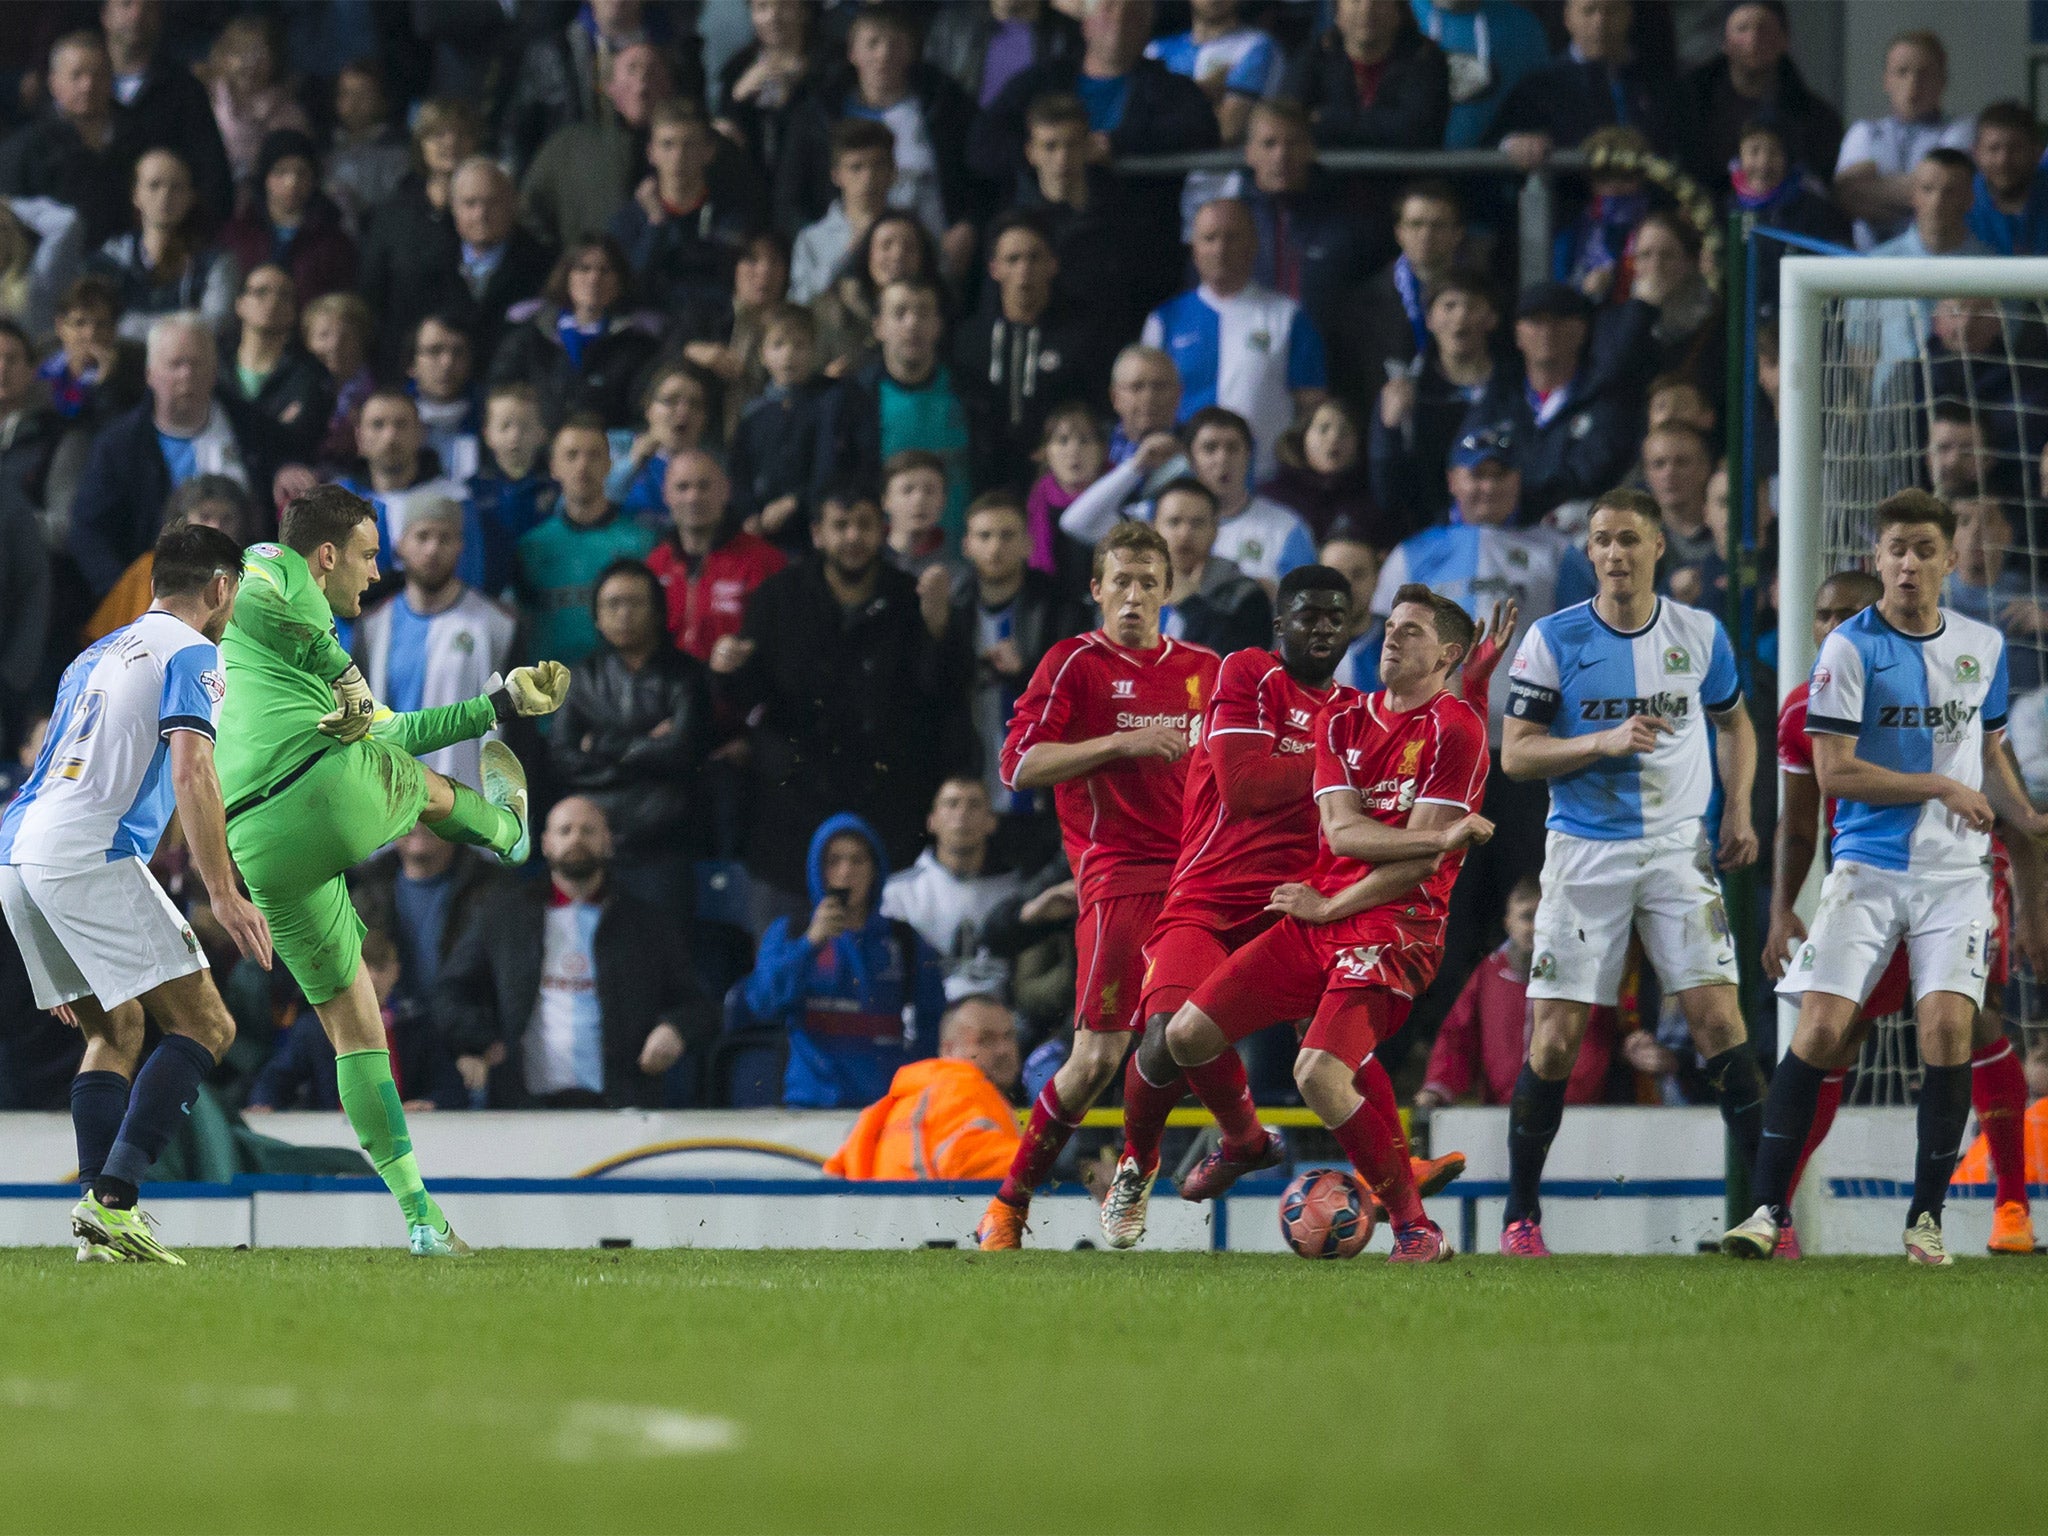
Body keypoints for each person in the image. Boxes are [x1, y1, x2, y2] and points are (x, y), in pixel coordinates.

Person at [212, 484, 570, 1252]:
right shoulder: (270, 563)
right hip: (317, 788)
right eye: (371, 557)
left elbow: (397, 727)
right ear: (329, 554)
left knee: (353, 1027)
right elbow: (261, 588)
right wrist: (343, 671)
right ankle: (507, 832)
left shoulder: (307, 670)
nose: (379, 575)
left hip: (258, 842)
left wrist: (496, 706)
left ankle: (420, 1217)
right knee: (427, 788)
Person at [1728, 491, 2048, 1266]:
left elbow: (1991, 755)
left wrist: (2029, 822)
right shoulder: (1846, 651)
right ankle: (1765, 1212)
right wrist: (1941, 788)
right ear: (1879, 561)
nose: (1908, 563)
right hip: (1867, 872)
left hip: (1957, 879)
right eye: (1895, 548)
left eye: (1923, 550)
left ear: (1946, 559)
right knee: (1823, 1030)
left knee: (1948, 1028)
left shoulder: (1981, 645)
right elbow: (1834, 775)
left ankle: (1926, 1221)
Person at [1109, 563, 1465, 1244]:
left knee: (1336, 1047)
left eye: (1337, 616)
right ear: (1280, 624)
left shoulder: (1357, 710)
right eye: (1308, 614)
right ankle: (1161, 1156)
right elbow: (1244, 786)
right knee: (1164, 1038)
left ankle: (1400, 1181)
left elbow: (1421, 750)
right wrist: (1340, 764)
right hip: (1210, 895)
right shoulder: (1247, 673)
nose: (1323, 627)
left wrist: (1457, 690)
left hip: (1296, 901)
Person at [1499, 487, 1762, 1258]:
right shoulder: (1553, 639)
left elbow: (1735, 724)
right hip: (1584, 853)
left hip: (1679, 850)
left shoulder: (1699, 633)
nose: (1614, 553)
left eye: (1629, 540)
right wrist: (1601, 744)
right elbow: (1516, 753)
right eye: (1603, 540)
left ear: (1656, 549)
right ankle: (1521, 1217)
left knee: (1719, 1025)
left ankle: (1772, 1214)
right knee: (1555, 1041)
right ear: (1589, 553)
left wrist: (1738, 808)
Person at [0, 524, 268, 1262]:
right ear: (220, 588)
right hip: (91, 855)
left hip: (19, 855)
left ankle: (97, 1223)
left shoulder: (96, 652)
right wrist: (223, 892)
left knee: (113, 1031)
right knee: (208, 1027)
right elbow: (193, 771)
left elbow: (48, 762)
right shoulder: (195, 651)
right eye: (235, 592)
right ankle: (117, 1199)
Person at [974, 520, 1219, 1250]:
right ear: (1096, 590)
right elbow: (1015, 767)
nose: (1135, 596)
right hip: (1119, 876)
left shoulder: (1206, 667)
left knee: (1202, 1026)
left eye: (1149, 582)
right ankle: (1010, 1204)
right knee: (1095, 1061)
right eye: (1122, 582)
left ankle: (1149, 1169)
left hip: (1201, 877)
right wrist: (1121, 743)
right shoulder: (1074, 664)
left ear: (1169, 591)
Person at [719, 484, 970, 903]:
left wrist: (939, 629)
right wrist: (727, 668)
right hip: (794, 804)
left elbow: (943, 693)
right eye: (840, 526)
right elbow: (750, 695)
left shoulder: (912, 598)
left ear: (883, 530)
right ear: (817, 534)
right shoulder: (779, 598)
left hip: (888, 801)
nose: (852, 537)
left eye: (864, 526)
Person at [435, 795, 710, 1109]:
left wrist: (674, 1029)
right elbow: (450, 992)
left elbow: (697, 1005)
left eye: (588, 831)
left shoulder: (647, 925)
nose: (576, 838)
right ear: (546, 843)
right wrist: (480, 1038)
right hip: (523, 1107)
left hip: (621, 1105)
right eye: (565, 830)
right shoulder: (502, 917)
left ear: (608, 842)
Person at [738, 812, 949, 1109]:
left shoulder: (904, 940)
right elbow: (761, 1004)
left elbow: (933, 1020)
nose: (846, 871)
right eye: (834, 861)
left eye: (858, 860)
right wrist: (811, 943)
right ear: (817, 869)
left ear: (875, 869)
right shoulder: (791, 932)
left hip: (886, 1105)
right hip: (811, 1102)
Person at [69, 311, 270, 597]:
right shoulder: (118, 446)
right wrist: (129, 593)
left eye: (196, 363)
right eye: (175, 364)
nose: (186, 374)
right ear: (150, 374)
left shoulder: (255, 430)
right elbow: (88, 532)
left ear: (214, 371)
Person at [549, 559, 713, 909]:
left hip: (663, 844)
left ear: (656, 612)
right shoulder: (580, 679)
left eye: (635, 603)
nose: (624, 613)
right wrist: (648, 746)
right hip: (594, 846)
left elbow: (683, 752)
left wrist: (600, 744)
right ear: (596, 616)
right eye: (613, 604)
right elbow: (562, 758)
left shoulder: (686, 676)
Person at [772, 3, 977, 275]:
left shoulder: (946, 109)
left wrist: (967, 226)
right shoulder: (816, 116)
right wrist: (820, 247)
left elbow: (978, 182)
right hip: (841, 258)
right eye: (873, 44)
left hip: (932, 256)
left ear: (911, 52)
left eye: (895, 44)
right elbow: (789, 200)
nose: (883, 55)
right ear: (853, 53)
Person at [1142, 198, 1327, 481]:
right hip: (1182, 487)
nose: (1220, 249)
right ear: (1194, 247)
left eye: (1232, 237)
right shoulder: (1164, 321)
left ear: (1254, 243)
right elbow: (1144, 406)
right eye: (1210, 238)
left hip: (1267, 483)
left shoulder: (1288, 318)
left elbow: (1311, 405)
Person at [1416, 876, 1629, 1108]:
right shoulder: (1489, 974)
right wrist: (1436, 1089)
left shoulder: (1586, 974)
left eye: (1546, 917)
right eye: (1528, 917)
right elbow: (1458, 1037)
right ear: (1508, 923)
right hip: (1500, 1116)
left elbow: (1605, 1038)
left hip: (1575, 1116)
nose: (1538, 926)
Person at [352, 496, 516, 793]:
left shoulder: (496, 625)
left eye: (445, 538)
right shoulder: (373, 627)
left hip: (466, 811)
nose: (433, 549)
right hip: (391, 806)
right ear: (401, 543)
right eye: (423, 536)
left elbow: (514, 734)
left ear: (461, 545)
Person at [1458, 280, 1640, 523]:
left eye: (1560, 319)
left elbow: (1593, 469)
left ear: (1582, 330)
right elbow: (1468, 457)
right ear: (1517, 334)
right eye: (1535, 321)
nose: (1547, 330)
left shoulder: (1605, 397)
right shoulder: (1497, 395)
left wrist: (1513, 486)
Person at [954, 210, 1106, 495]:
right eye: (1013, 259)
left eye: (1034, 258)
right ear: (994, 268)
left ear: (1053, 264)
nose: (1024, 270)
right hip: (983, 482)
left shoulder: (1082, 337)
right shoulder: (969, 339)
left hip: (1060, 482)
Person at [950, 491, 1084, 814]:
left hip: (1042, 795)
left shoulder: (1060, 608)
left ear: (1028, 543)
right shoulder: (953, 609)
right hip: (971, 795)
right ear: (966, 545)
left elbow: (1079, 695)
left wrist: (1025, 673)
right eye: (984, 536)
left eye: (1007, 535)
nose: (995, 547)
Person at [819, 275, 974, 545]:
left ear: (938, 326)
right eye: (900, 313)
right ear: (879, 326)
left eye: (923, 314)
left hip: (967, 560)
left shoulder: (974, 394)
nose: (912, 324)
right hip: (880, 560)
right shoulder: (849, 401)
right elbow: (831, 486)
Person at [823, 995, 1024, 1180]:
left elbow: (836, 1175)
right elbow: (966, 1158)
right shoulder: (962, 1088)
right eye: (985, 1040)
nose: (1003, 1050)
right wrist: (1045, 1158)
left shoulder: (889, 1108)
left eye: (1009, 1037)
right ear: (948, 1049)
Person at [514, 416, 658, 667]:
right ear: (553, 466)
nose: (582, 466)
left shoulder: (642, 543)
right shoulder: (531, 547)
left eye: (594, 456)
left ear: (609, 464)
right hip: (548, 695)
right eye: (572, 455)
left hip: (620, 692)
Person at [1369, 267, 1500, 531]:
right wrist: (1389, 430)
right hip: (1428, 536)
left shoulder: (1516, 388)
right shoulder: (1406, 391)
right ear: (1429, 319)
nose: (1461, 316)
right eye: (1449, 306)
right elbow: (1386, 494)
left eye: (1472, 306)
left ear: (1492, 318)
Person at [1492, 0, 1693, 171]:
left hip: (1654, 208)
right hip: (1572, 207)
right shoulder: (1540, 86)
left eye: (1612, 11)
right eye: (1589, 11)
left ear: (1629, 15)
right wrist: (1515, 143)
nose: (1600, 22)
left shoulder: (1659, 81)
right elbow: (1499, 140)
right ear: (1568, 19)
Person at [488, 235, 661, 433]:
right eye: (584, 269)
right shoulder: (530, 336)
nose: (594, 278)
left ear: (619, 280)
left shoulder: (638, 345)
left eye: (605, 270)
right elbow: (500, 389)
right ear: (566, 275)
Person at [607, 100, 756, 318]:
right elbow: (628, 287)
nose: (678, 157)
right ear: (651, 153)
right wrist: (656, 224)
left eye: (689, 145)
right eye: (668, 145)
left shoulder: (731, 217)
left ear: (709, 151)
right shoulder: (628, 220)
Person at [1833, 30, 1975, 251]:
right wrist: (1920, 192)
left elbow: (1946, 189)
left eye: (1924, 73)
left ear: (1942, 80)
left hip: (1939, 261)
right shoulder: (1864, 132)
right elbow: (1848, 197)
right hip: (1868, 266)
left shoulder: (1961, 130)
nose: (1913, 82)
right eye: (1902, 72)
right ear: (1886, 80)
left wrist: (1875, 189)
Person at [1681, 1, 1841, 196]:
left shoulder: (1817, 119)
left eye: (1764, 29)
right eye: (1742, 29)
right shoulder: (1690, 104)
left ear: (1784, 40)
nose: (1753, 39)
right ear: (1724, 40)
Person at [646, 449, 787, 668]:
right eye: (682, 487)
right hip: (670, 696)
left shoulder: (766, 561)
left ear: (725, 490)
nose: (693, 497)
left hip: (740, 693)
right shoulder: (655, 564)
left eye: (704, 486)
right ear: (666, 494)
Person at [101, 0, 235, 230]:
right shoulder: (80, 91)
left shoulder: (185, 90)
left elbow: (212, 178)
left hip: (172, 240)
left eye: (148, 7)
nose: (136, 15)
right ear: (105, 14)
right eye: (126, 4)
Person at [1330, 180, 1465, 405]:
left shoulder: (1483, 299)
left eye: (1438, 225)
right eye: (1416, 224)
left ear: (1458, 234)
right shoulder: (1362, 305)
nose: (1426, 234)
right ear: (1399, 232)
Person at [880, 776, 1025, 976]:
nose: (962, 813)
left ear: (991, 822)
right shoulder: (897, 893)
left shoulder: (1015, 893)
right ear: (932, 821)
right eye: (952, 804)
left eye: (973, 805)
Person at [339, 388, 481, 592]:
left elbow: (468, 579)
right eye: (378, 425)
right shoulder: (337, 501)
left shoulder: (454, 498)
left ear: (421, 434)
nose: (390, 436)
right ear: (360, 437)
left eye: (401, 425)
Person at [89, 148, 237, 340]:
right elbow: (95, 322)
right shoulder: (109, 259)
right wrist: (186, 322)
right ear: (136, 195)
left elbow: (218, 323)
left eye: (176, 187)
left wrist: (133, 325)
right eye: (154, 185)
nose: (165, 195)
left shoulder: (216, 262)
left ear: (191, 197)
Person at [0, 32, 132, 248]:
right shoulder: (22, 151)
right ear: (53, 83)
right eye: (76, 75)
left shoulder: (138, 138)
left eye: (98, 75)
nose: (87, 85)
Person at [84, 474, 248, 644]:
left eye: (227, 519)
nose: (216, 527)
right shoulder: (152, 567)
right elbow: (105, 643)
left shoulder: (252, 571)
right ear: (184, 519)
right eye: (205, 517)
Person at [727, 303, 830, 555]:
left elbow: (828, 467)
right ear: (762, 354)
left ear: (814, 350)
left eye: (799, 345)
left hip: (812, 530)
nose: (789, 354)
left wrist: (795, 501)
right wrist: (748, 512)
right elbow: (738, 471)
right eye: (778, 344)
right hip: (762, 530)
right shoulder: (753, 413)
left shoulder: (827, 405)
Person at [1284, 0, 1451, 154]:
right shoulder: (1314, 56)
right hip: (1326, 180)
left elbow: (1413, 131)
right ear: (1337, 11)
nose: (1367, 9)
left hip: (1405, 179)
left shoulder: (1425, 58)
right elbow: (1290, 123)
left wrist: (1330, 120)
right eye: (1356, 0)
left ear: (1399, 10)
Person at [218, 129, 358, 306]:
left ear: (314, 180)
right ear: (265, 178)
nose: (292, 182)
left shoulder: (334, 242)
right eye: (281, 171)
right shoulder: (237, 234)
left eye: (302, 172)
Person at [221, 263, 331, 467]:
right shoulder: (216, 366)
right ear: (240, 304)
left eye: (284, 295)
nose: (273, 301)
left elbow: (301, 442)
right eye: (261, 292)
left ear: (293, 312)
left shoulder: (312, 375)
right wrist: (276, 424)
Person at [1151, 476, 1271, 658]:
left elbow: (1237, 667)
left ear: (1215, 531)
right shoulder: (1130, 592)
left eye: (1197, 523)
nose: (1185, 534)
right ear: (1154, 530)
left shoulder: (1246, 595)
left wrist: (1190, 604)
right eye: (1174, 522)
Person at [789, 118, 898, 307]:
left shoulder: (912, 232)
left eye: (878, 166)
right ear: (836, 175)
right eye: (856, 167)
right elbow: (800, 303)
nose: (868, 178)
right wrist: (849, 250)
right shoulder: (812, 239)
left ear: (892, 172)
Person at [1263, 398, 1378, 548]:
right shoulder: (1272, 496)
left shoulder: (1372, 500)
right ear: (1303, 436)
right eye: (1323, 429)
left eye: (1345, 431)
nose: (1334, 438)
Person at [323, 61, 412, 234]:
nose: (353, 103)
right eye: (346, 94)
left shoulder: (398, 152)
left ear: (382, 100)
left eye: (363, 95)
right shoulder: (325, 147)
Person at [405, 315, 482, 485]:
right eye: (434, 351)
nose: (447, 362)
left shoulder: (489, 415)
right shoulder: (393, 417)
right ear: (412, 364)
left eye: (458, 352)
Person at [1967, 101, 2048, 257]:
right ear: (1975, 154)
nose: (2003, 160)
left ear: (2037, 152)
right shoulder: (1957, 200)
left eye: (2015, 148)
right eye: (1993, 148)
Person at [881, 449, 963, 588]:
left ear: (943, 501)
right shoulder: (867, 564)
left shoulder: (959, 574)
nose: (919, 500)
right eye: (907, 490)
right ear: (885, 501)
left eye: (930, 491)